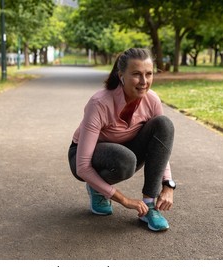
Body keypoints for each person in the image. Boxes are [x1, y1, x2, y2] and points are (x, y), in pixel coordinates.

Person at [68, 48, 176, 232]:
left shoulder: (152, 100)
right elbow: (83, 166)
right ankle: (97, 188)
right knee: (125, 159)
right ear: (121, 76)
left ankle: (149, 206)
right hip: (86, 155)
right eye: (136, 74)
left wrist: (168, 185)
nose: (144, 82)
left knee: (164, 124)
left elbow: (161, 145)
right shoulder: (99, 103)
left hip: (126, 150)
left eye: (148, 74)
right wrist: (124, 200)